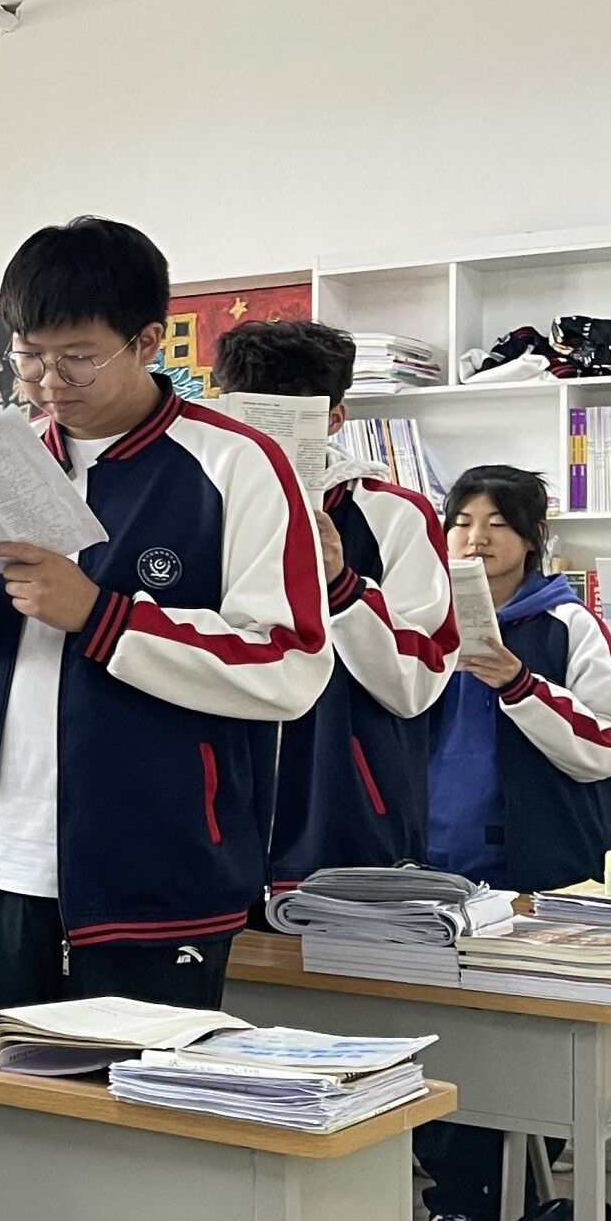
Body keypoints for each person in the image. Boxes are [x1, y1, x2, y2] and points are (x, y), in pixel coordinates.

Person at [0, 217, 330, 1221]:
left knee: (146, 1180)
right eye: (28, 357)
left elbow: (291, 663)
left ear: (149, 341)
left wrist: (105, 616)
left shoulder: (234, 466)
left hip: (155, 875)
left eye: (77, 358)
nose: (48, 383)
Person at [412, 464, 611, 1221]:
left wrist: (518, 683)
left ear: (534, 535)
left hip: (528, 864)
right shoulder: (421, 618)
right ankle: (451, 1188)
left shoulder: (565, 623)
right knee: (433, 1030)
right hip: (428, 862)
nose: (476, 539)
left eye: (497, 524)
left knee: (507, 1037)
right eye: (461, 522)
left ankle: (498, 1197)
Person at [211, 319, 456, 885]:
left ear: (334, 418)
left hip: (350, 818)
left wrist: (342, 585)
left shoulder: (394, 515)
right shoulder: (200, 505)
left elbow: (419, 681)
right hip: (217, 810)